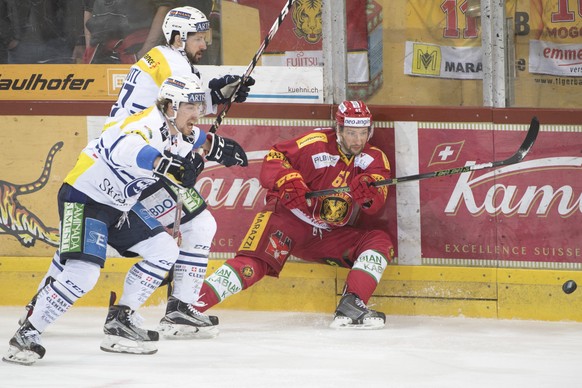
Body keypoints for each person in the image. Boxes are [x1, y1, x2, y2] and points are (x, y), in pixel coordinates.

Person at [21, 6, 253, 340]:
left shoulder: (165, 59)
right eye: (198, 37)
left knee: (77, 249)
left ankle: (39, 306)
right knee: (198, 225)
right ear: (178, 37)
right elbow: (172, 115)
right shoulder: (172, 62)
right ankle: (177, 308)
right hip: (137, 163)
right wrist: (211, 110)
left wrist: (215, 100)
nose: (205, 43)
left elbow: (177, 114)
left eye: (206, 36)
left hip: (129, 162)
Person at [3, 75, 213, 366]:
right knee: (83, 273)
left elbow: (192, 145)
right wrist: (162, 164)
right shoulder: (142, 124)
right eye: (191, 106)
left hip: (119, 207)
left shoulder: (175, 132)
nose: (198, 113)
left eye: (199, 105)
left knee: (164, 250)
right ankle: (26, 335)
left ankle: (121, 319)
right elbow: (123, 148)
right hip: (84, 198)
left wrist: (208, 151)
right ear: (170, 107)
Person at [193, 100, 395, 330]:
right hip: (286, 219)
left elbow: (376, 197)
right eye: (351, 132)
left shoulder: (375, 157)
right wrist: (289, 180)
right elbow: (275, 157)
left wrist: (368, 192)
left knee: (379, 242)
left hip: (326, 235)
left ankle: (352, 304)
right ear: (338, 129)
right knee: (252, 265)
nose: (358, 140)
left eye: (362, 132)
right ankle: (189, 306)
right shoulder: (315, 143)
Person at [1, 0, 85, 64]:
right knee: (19, 84)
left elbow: (73, 7)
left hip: (57, 44)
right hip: (19, 48)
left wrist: (78, 41)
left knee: (62, 83)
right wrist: (8, 40)